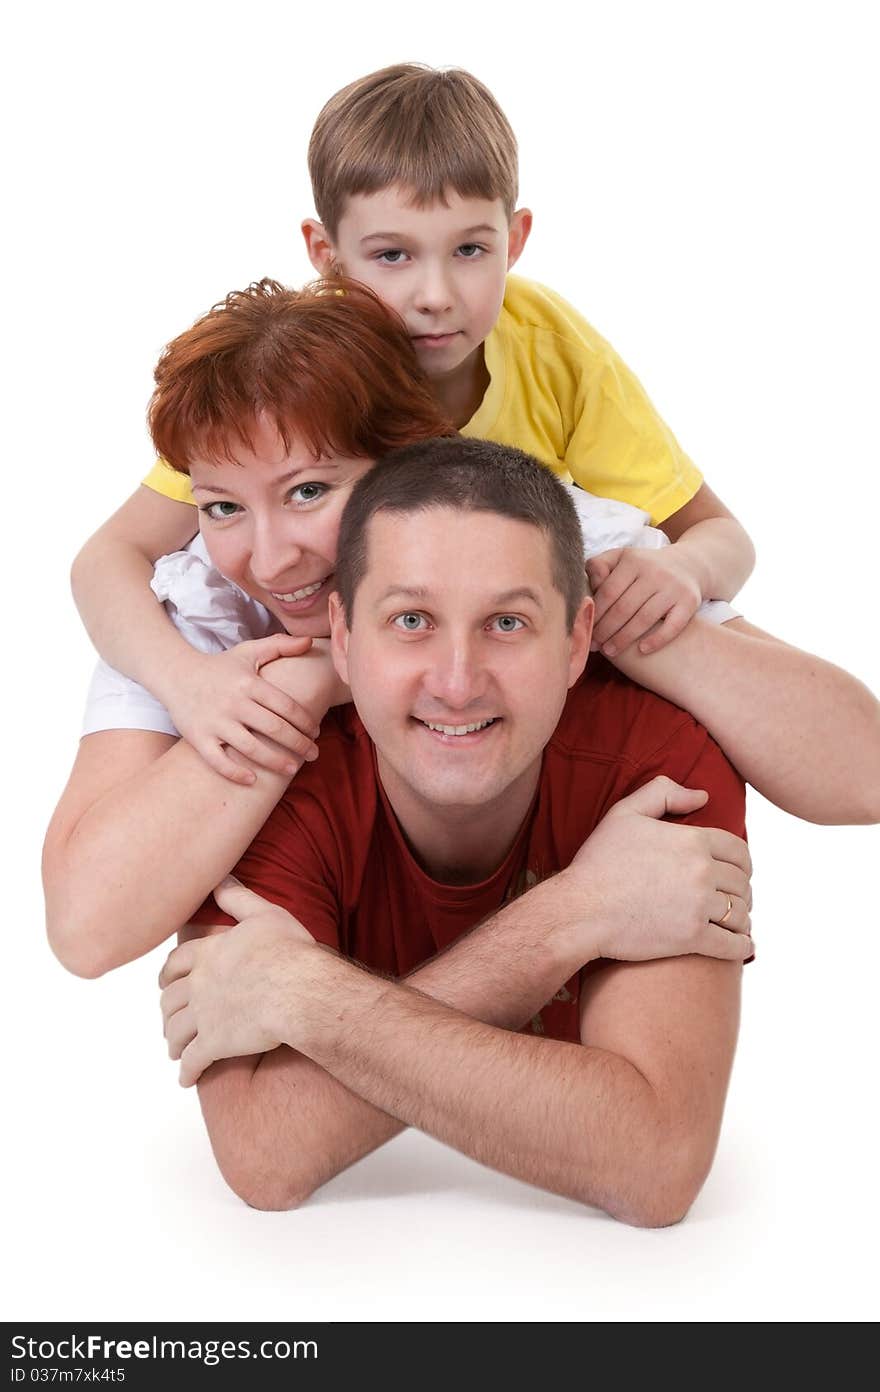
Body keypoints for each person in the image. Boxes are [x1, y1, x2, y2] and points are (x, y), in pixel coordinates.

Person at [43, 278, 880, 981]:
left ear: (411, 459)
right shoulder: (196, 609)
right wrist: (295, 686)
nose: (269, 558)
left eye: (308, 493)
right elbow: (86, 931)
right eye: (222, 507)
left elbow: (861, 771)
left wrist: (601, 621)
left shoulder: (541, 542)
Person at [67, 63, 759, 780]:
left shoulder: (553, 349)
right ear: (325, 255)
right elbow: (110, 557)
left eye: (469, 250)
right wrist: (184, 681)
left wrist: (684, 568)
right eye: (392, 255)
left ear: (514, 239)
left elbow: (720, 535)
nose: (434, 295)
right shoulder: (292, 377)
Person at [158, 438, 754, 1225]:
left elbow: (655, 1162)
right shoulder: (267, 771)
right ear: (341, 635)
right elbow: (267, 1155)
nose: (457, 681)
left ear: (576, 640)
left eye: (507, 622)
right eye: (411, 620)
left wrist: (303, 996)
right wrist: (576, 914)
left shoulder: (657, 758)